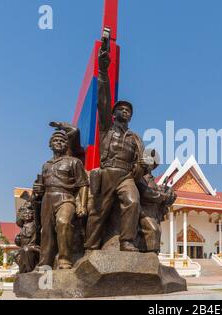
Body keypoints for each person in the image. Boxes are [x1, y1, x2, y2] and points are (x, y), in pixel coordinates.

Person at [85, 30, 146, 252]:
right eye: (121, 108)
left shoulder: (135, 137)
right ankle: (90, 247)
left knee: (132, 202)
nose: (125, 111)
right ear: (113, 113)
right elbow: (102, 97)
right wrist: (103, 70)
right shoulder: (106, 128)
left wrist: (141, 167)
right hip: (107, 172)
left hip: (125, 176)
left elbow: (143, 159)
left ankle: (127, 241)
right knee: (98, 210)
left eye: (128, 110)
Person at [34, 130, 89, 269]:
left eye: (62, 140)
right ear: (50, 144)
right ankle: (45, 262)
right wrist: (38, 190)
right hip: (47, 199)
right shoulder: (45, 165)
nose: (58, 142)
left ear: (67, 144)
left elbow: (83, 185)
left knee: (63, 222)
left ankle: (65, 259)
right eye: (55, 140)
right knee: (46, 231)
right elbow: (41, 187)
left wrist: (82, 205)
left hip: (65, 197)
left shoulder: (74, 162)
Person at [137, 149, 176, 253]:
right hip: (143, 211)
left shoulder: (151, 180)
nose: (151, 166)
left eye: (153, 164)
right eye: (150, 162)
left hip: (154, 213)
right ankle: (149, 258)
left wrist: (167, 193)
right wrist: (162, 196)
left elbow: (157, 191)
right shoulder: (140, 177)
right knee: (154, 230)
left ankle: (152, 256)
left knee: (157, 231)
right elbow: (145, 192)